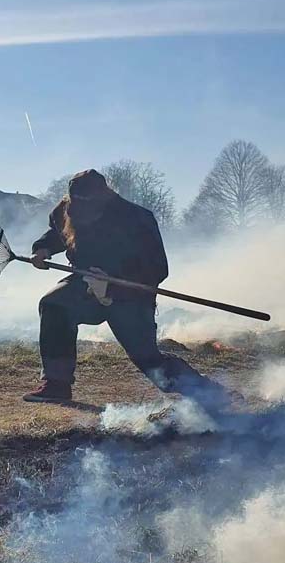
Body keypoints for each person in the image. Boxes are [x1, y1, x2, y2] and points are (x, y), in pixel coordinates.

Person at [23, 169, 229, 408]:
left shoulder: (137, 218)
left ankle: (210, 392)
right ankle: (57, 384)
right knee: (54, 306)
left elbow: (157, 268)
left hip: (130, 295)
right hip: (84, 285)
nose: (83, 214)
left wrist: (111, 284)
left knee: (152, 365)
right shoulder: (66, 211)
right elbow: (59, 235)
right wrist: (43, 249)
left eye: (89, 209)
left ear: (105, 197)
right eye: (78, 208)